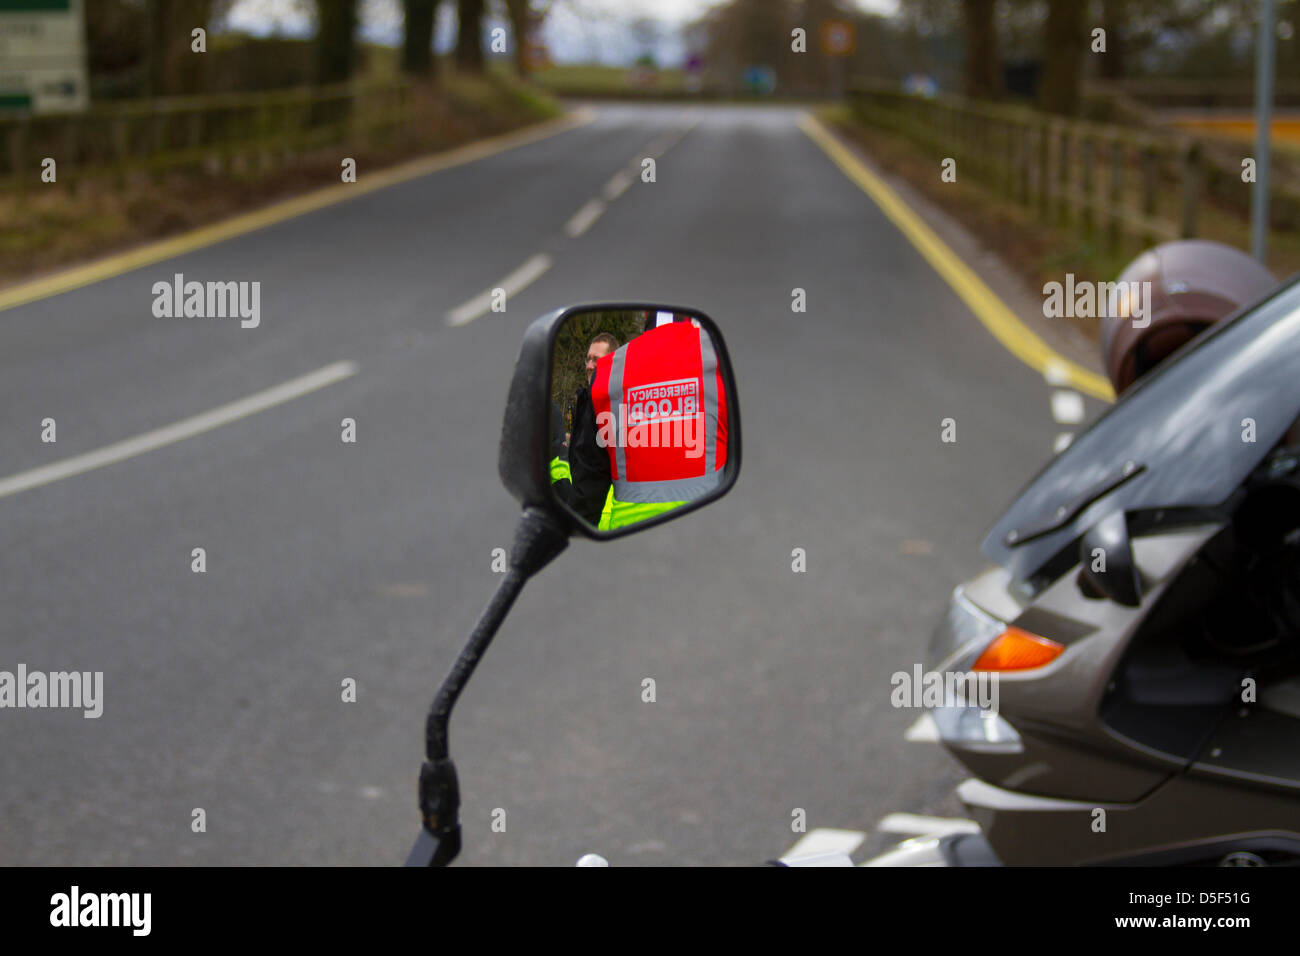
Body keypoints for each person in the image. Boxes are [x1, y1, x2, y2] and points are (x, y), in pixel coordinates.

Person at [581, 316, 727, 531]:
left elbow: (588, 486)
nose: (591, 365)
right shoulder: (717, 356)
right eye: (588, 359)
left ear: (646, 315)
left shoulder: (607, 374)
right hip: (709, 533)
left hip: (626, 540)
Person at [566, 332, 620, 526]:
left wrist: (573, 525)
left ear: (610, 363)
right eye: (588, 359)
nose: (589, 366)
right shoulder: (586, 402)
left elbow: (590, 475)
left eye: (596, 360)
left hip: (599, 521)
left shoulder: (607, 409)